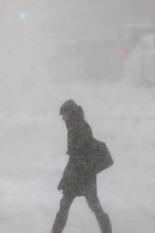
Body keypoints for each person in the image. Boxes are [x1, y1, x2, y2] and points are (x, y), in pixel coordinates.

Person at [51, 99, 112, 233]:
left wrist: (73, 174)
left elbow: (82, 154)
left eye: (63, 115)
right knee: (67, 205)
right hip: (78, 174)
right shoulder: (74, 125)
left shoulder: (81, 127)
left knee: (93, 205)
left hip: (83, 175)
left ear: (70, 112)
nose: (62, 119)